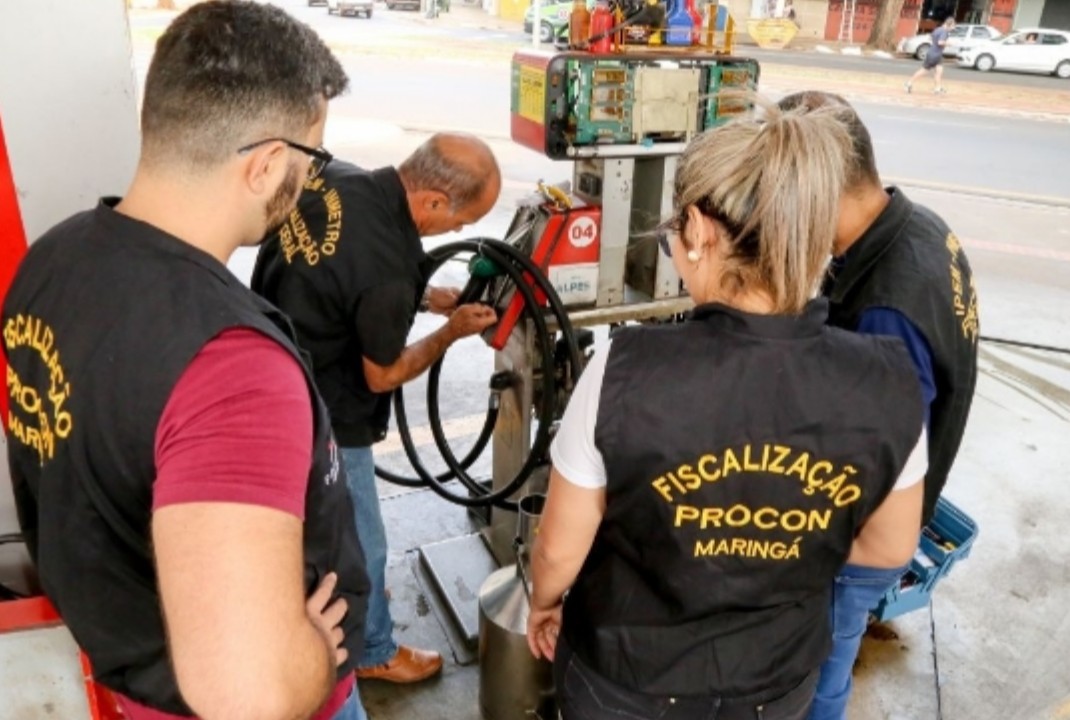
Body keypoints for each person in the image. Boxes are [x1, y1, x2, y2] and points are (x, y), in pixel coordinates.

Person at [1, 3, 370, 720]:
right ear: (266, 165)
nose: (309, 180)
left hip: (128, 674)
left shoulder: (54, 259)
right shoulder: (233, 369)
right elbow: (248, 696)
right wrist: (311, 655)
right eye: (310, 159)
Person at [525, 100, 928, 720]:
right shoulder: (891, 380)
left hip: (628, 677)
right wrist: (777, 545)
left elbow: (556, 552)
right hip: (776, 680)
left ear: (697, 229)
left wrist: (546, 602)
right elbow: (890, 546)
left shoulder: (623, 369)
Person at [251, 134, 500, 684]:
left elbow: (346, 275)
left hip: (274, 357)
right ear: (434, 199)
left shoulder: (338, 178)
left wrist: (426, 295)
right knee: (365, 538)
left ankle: (330, 596)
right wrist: (451, 331)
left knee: (313, 518)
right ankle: (375, 651)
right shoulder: (386, 269)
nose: (457, 232)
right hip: (329, 407)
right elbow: (382, 373)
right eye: (459, 220)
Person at [776, 91, 979, 720]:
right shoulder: (918, 225)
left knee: (817, 669)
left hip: (859, 542)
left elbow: (874, 461)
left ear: (818, 184)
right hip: (902, 497)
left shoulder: (886, 311)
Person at [907, 16, 954, 94]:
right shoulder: (944, 32)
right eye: (952, 26)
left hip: (936, 53)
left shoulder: (937, 29)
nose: (953, 28)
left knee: (939, 71)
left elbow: (930, 37)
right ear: (948, 24)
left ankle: (937, 88)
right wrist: (948, 43)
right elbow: (940, 42)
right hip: (934, 54)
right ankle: (909, 83)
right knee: (924, 70)